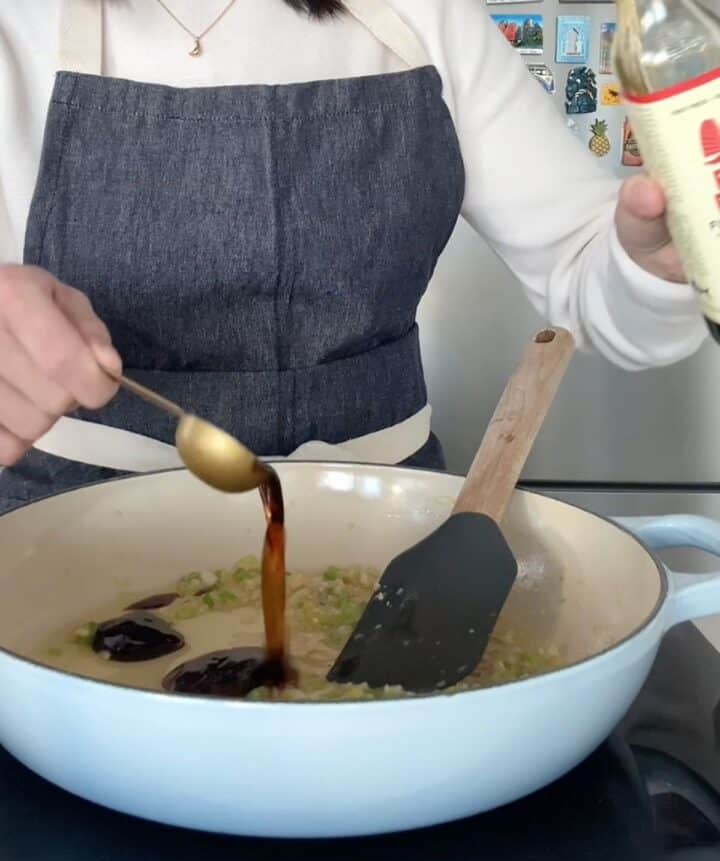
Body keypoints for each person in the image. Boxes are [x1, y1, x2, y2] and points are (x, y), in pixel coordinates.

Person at [0, 0, 706, 513]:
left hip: (381, 522)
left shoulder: (427, 16)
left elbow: (590, 270)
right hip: (64, 526)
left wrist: (664, 268)